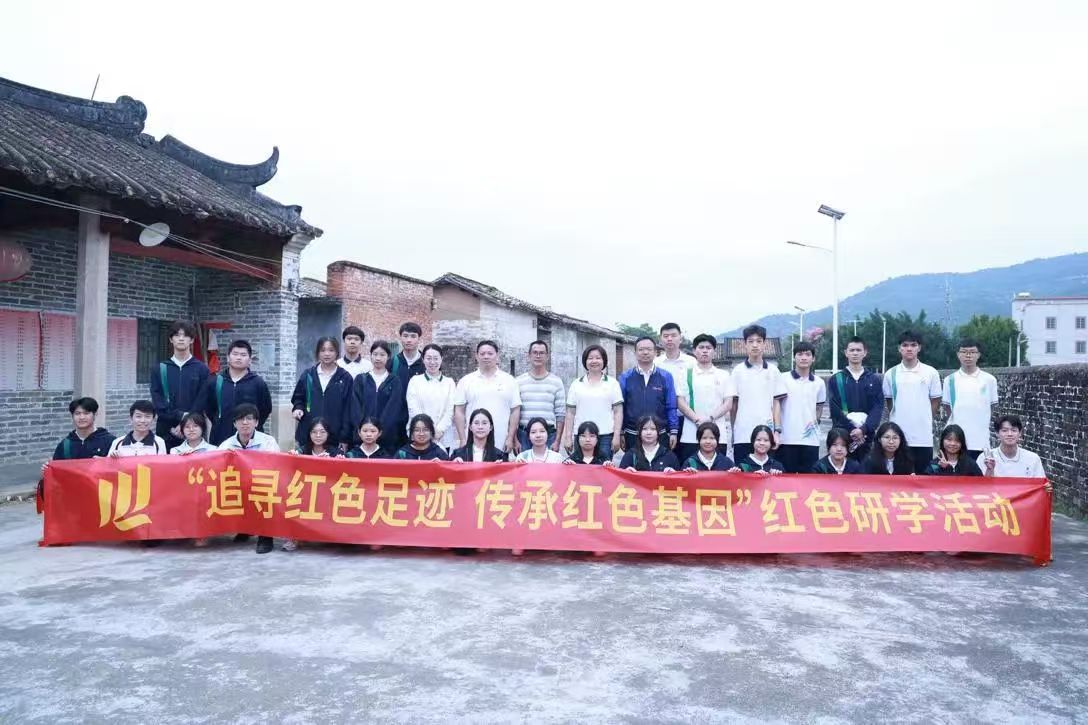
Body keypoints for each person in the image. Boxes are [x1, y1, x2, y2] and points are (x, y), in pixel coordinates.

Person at [884, 330, 942, 474]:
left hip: (923, 437)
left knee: (924, 478)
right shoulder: (891, 374)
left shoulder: (930, 372)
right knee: (898, 478)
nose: (909, 349)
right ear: (899, 348)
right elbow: (889, 402)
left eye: (913, 345)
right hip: (898, 438)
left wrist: (924, 417)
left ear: (919, 348)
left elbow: (935, 400)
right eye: (905, 345)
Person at [674, 334, 734, 464]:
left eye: (708, 348)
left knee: (717, 473)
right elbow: (680, 401)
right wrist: (697, 420)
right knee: (689, 471)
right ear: (694, 351)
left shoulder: (723, 375)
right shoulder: (685, 373)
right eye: (701, 347)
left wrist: (710, 419)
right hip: (690, 435)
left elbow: (728, 403)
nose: (705, 351)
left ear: (714, 351)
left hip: (717, 436)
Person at [149, 320, 210, 450]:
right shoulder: (160, 368)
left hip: (195, 429)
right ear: (171, 339)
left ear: (191, 340)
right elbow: (158, 401)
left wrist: (187, 423)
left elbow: (202, 399)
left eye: (185, 335)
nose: (181, 339)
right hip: (167, 429)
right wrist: (179, 417)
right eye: (177, 335)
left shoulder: (201, 369)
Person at [730, 325, 787, 461]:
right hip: (742, 435)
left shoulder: (773, 371)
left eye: (759, 341)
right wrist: (734, 430)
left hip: (766, 436)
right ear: (745, 344)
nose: (755, 345)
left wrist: (777, 431)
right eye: (750, 341)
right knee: (742, 472)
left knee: (766, 472)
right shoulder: (737, 371)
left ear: (765, 344)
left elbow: (776, 403)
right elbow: (734, 405)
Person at [453, 340, 521, 454]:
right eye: (482, 354)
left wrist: (510, 438)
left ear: (497, 355)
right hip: (472, 440)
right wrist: (463, 439)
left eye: (490, 353)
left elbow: (515, 411)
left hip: (501, 440)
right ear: (476, 356)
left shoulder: (509, 380)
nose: (486, 357)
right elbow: (459, 411)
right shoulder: (466, 381)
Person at [561, 345, 624, 461]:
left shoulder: (612, 383)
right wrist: (568, 437)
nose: (594, 361)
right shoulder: (576, 384)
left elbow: (618, 412)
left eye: (598, 358)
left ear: (604, 361)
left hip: (605, 436)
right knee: (581, 468)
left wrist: (616, 436)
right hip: (581, 436)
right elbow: (570, 413)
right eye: (590, 358)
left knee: (604, 469)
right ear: (585, 361)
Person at [826, 336, 884, 462]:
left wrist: (863, 429)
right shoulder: (836, 379)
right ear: (846, 353)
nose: (855, 353)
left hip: (866, 437)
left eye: (858, 350)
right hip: (842, 437)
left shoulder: (874, 379)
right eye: (852, 350)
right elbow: (835, 409)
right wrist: (852, 429)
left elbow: (878, 407)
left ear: (865, 352)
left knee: (866, 470)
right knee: (843, 470)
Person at [291, 337, 354, 451]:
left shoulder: (345, 378)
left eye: (331, 350)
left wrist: (344, 438)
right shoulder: (308, 375)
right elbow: (298, 397)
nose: (327, 354)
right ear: (317, 353)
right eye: (323, 350)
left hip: (334, 437)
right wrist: (298, 408)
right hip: (308, 435)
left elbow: (348, 410)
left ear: (337, 353)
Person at [205, 340, 272, 446]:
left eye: (243, 355)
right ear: (228, 357)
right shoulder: (216, 382)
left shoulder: (257, 383)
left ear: (250, 360)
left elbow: (265, 409)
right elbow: (209, 409)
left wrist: (249, 424)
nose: (239, 358)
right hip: (221, 436)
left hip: (250, 440)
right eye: (235, 354)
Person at [941, 338, 998, 461]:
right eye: (964, 352)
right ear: (958, 354)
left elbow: (991, 407)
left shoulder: (989, 380)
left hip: (981, 440)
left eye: (972, 352)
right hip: (957, 442)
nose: (968, 355)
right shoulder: (949, 380)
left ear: (978, 355)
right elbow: (947, 408)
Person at [619, 337, 679, 452]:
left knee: (659, 463)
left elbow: (671, 405)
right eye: (641, 349)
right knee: (633, 463)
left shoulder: (666, 376)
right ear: (635, 352)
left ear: (655, 352)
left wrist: (673, 431)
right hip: (632, 433)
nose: (645, 352)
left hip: (659, 433)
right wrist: (621, 432)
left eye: (649, 349)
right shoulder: (625, 377)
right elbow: (620, 407)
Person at [777, 342, 827, 473]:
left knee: (809, 480)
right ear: (794, 357)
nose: (804, 357)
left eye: (807, 354)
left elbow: (819, 408)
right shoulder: (783, 378)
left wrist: (811, 425)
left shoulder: (819, 383)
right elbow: (776, 406)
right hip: (787, 439)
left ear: (813, 358)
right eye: (800, 354)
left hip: (811, 440)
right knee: (786, 479)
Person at [351, 341, 406, 451]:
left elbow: (394, 409)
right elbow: (355, 408)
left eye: (382, 355)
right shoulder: (361, 379)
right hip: (363, 438)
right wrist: (365, 431)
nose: (378, 358)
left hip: (387, 438)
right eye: (375, 354)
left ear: (388, 357)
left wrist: (379, 432)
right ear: (370, 356)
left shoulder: (394, 381)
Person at [515, 340, 565, 454]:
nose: (538, 356)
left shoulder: (556, 382)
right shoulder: (518, 382)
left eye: (542, 353)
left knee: (548, 466)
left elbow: (561, 414)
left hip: (549, 435)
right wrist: (514, 439)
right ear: (529, 355)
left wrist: (557, 441)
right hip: (524, 436)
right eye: (535, 352)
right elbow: (513, 413)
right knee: (524, 465)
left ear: (547, 356)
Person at [406, 343, 457, 452]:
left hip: (443, 436)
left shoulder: (449, 383)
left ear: (441, 359)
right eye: (429, 358)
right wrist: (427, 430)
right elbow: (413, 408)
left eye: (436, 358)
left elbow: (450, 410)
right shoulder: (415, 381)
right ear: (423, 359)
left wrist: (439, 431)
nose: (432, 362)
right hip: (420, 435)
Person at [656, 322, 697, 446]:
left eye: (673, 335)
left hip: (687, 417)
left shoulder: (691, 362)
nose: (669, 339)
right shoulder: (656, 363)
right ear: (660, 339)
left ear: (680, 338)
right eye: (666, 336)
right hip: (663, 417)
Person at [45, 397, 115, 467]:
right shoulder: (65, 445)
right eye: (77, 413)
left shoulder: (110, 441)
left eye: (86, 413)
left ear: (95, 414)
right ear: (72, 416)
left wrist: (106, 462)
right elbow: (58, 469)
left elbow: (118, 469)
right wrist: (48, 469)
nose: (82, 417)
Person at [977, 415, 1047, 479]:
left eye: (1014, 430)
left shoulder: (1033, 458)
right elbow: (979, 486)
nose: (1009, 434)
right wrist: (990, 470)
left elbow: (1041, 485)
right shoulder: (985, 458)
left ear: (1020, 433)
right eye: (1004, 430)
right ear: (997, 433)